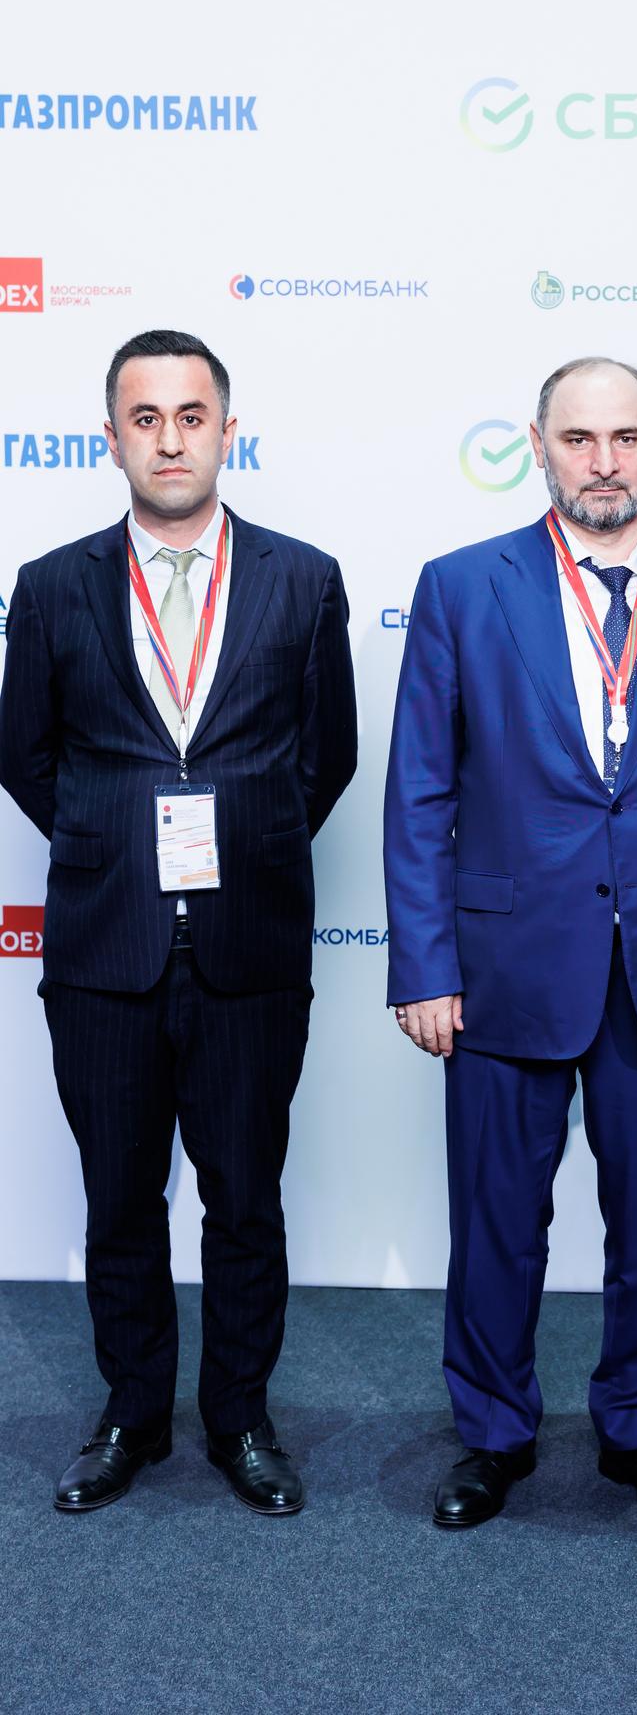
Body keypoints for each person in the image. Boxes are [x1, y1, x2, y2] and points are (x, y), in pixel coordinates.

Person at [385, 356, 637, 1531]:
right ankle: (492, 1434)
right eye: (579, 439)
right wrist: (424, 964)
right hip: (504, 965)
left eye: (625, 437)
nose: (604, 462)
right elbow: (419, 791)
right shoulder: (463, 586)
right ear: (538, 446)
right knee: (496, 1222)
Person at [0, 330, 357, 1516]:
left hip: (251, 947)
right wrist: (112, 840)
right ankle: (133, 1415)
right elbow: (25, 756)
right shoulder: (51, 585)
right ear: (111, 439)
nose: (169, 440)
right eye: (145, 418)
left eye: (191, 416)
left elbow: (327, 758)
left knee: (244, 1202)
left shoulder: (304, 579)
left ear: (226, 432)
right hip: (106, 951)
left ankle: (240, 1419)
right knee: (120, 1202)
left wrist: (246, 837)